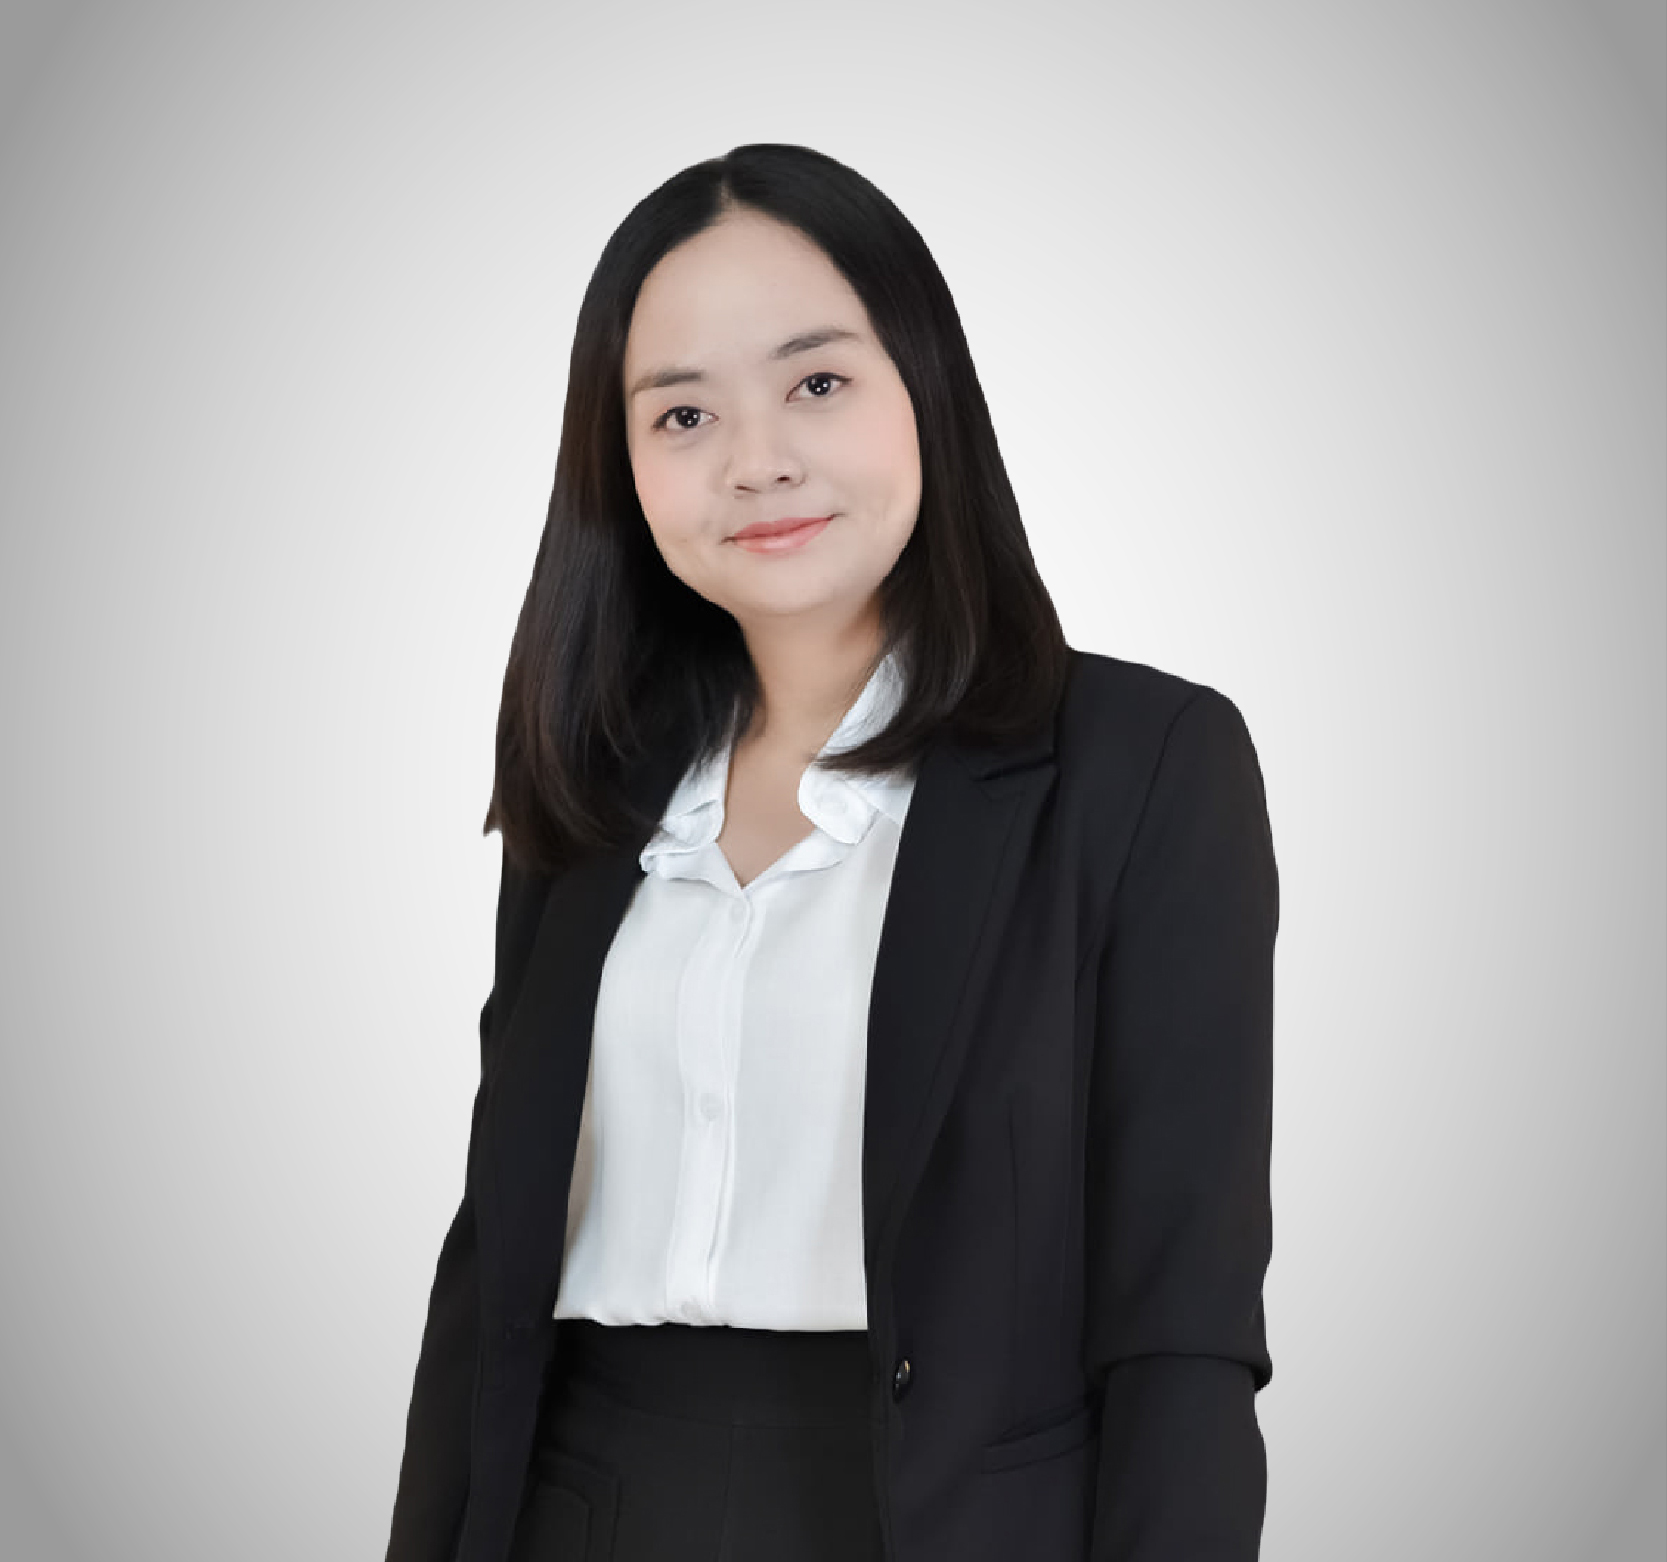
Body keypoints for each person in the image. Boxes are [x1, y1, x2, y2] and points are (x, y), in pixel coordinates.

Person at [384, 142, 1278, 1562]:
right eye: (683, 413)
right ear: (620, 462)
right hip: (581, 1507)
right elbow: (491, 1258)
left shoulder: (1143, 764)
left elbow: (1181, 1324)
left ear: (925, 383)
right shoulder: (594, 777)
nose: (758, 461)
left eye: (816, 383)